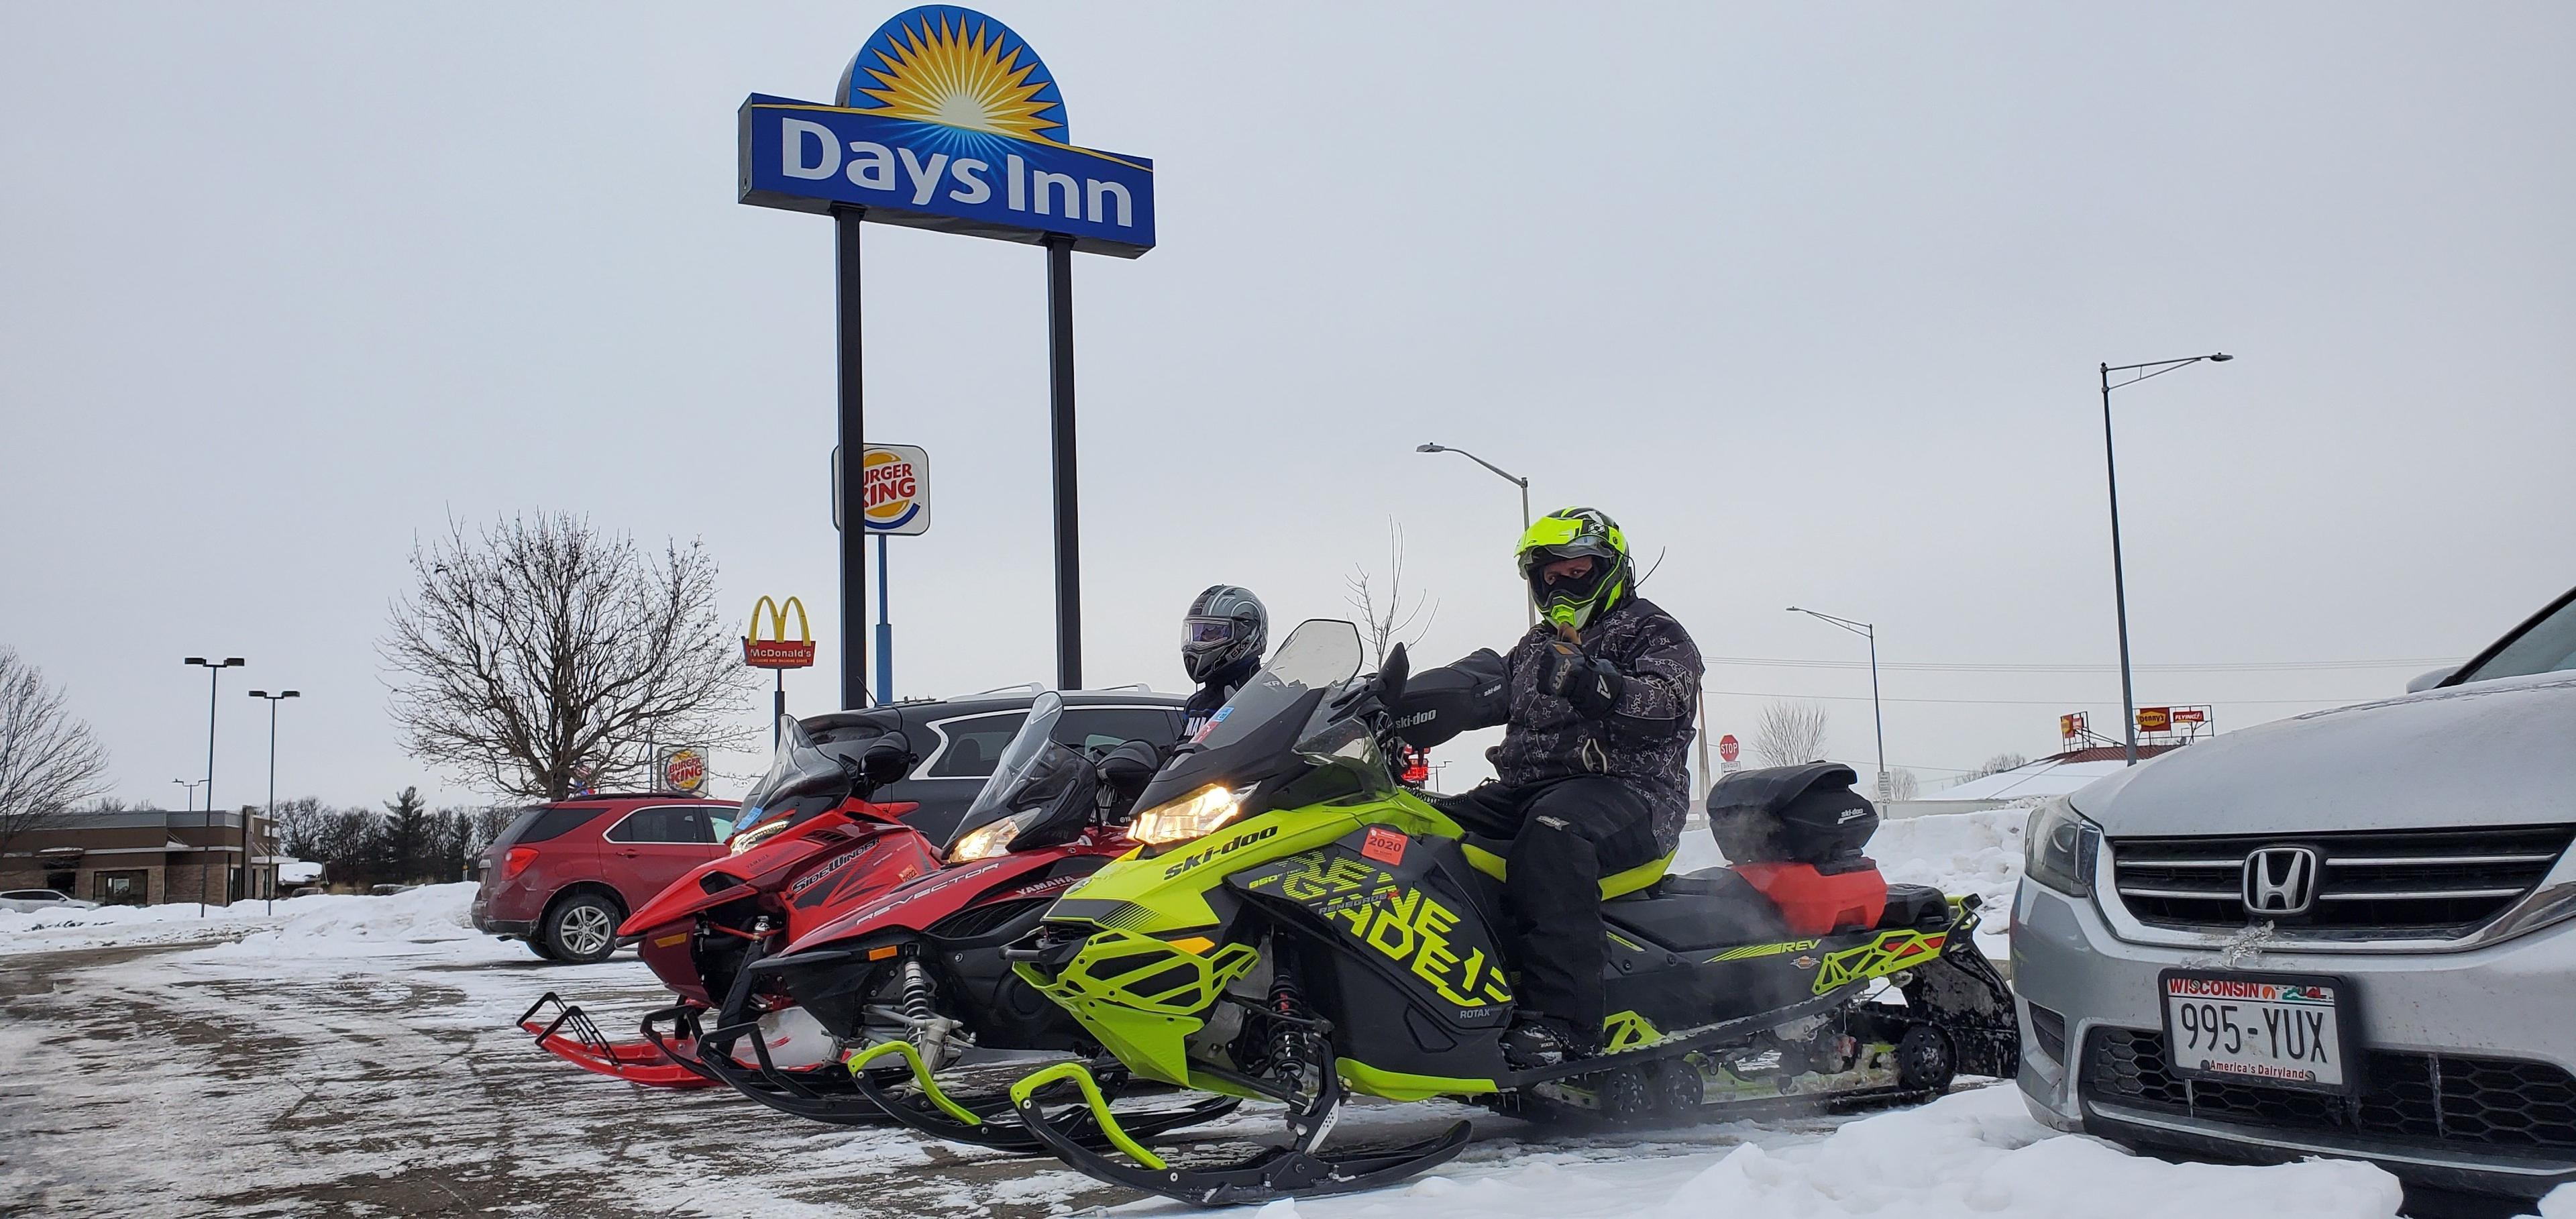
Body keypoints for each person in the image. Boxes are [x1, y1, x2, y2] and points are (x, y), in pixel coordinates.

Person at [1432, 507, 1704, 1066]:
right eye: (1548, 575)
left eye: (1575, 569)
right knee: (1424, 827)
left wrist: (1595, 682)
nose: (1560, 584)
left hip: (1630, 794)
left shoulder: (1653, 630)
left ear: (1609, 567)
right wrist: (1397, 706)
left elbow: (1666, 701)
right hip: (1527, 790)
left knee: (1553, 836)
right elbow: (1482, 691)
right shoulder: (1535, 646)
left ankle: (1565, 1023)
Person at [1179, 584, 1268, 739]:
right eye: (1199, 633)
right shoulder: (1196, 704)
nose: (1200, 641)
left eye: (1212, 633)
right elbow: (1184, 751)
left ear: (1245, 633)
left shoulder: (1267, 696)